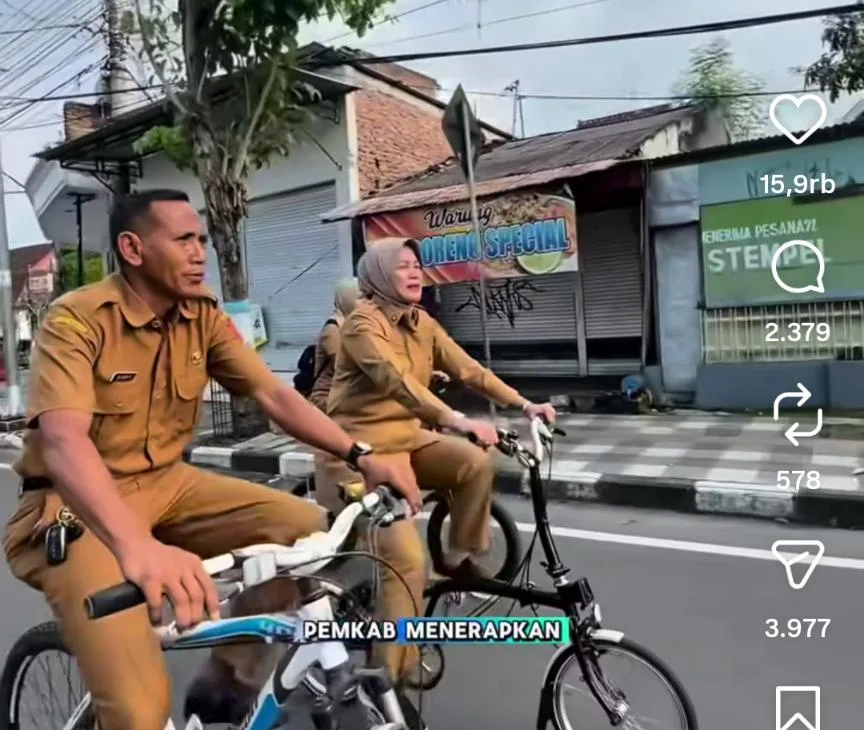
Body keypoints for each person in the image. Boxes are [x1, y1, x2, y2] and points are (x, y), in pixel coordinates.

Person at [1, 190, 417, 730]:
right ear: (133, 248)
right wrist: (138, 547)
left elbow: (272, 394)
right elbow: (62, 442)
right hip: (75, 503)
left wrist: (360, 454)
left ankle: (230, 679)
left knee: (304, 535)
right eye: (183, 240)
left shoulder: (201, 315)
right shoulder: (77, 320)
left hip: (170, 484)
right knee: (140, 710)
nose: (201, 252)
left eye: (202, 240)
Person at [314, 237, 556, 683]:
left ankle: (455, 557)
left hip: (407, 438)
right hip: (358, 452)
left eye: (416, 266)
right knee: (407, 562)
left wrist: (525, 405)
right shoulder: (361, 325)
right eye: (402, 266)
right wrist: (458, 419)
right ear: (381, 274)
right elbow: (397, 382)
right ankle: (387, 678)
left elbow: (469, 369)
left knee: (473, 463)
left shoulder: (421, 322)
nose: (414, 274)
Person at [308, 277, 360, 410]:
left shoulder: (352, 324)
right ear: (349, 299)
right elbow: (344, 366)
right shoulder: (333, 330)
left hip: (346, 392)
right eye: (361, 298)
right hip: (327, 395)